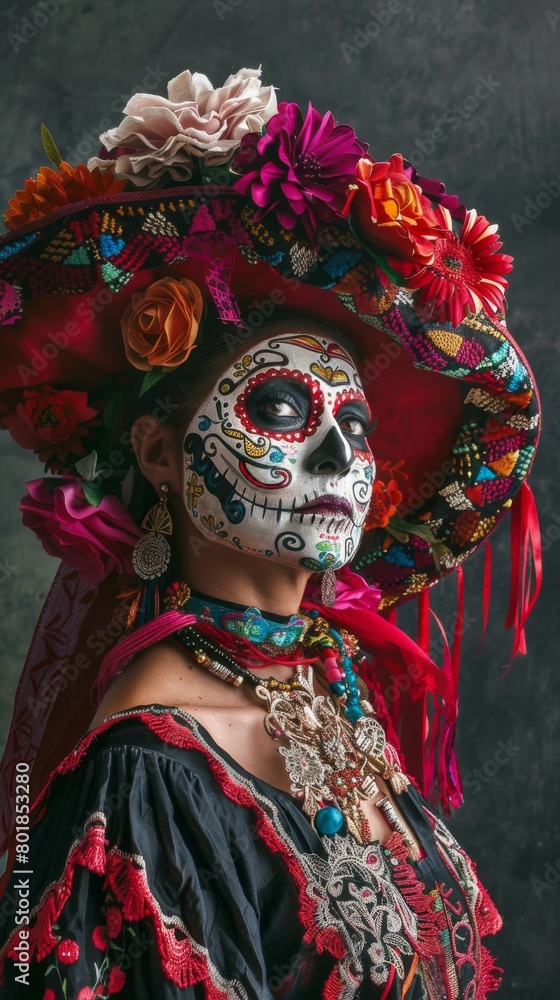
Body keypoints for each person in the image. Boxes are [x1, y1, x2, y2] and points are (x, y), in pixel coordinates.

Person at [0, 65, 541, 998]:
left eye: (358, 426)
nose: (340, 460)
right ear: (160, 450)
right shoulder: (147, 770)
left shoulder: (333, 689)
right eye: (283, 408)